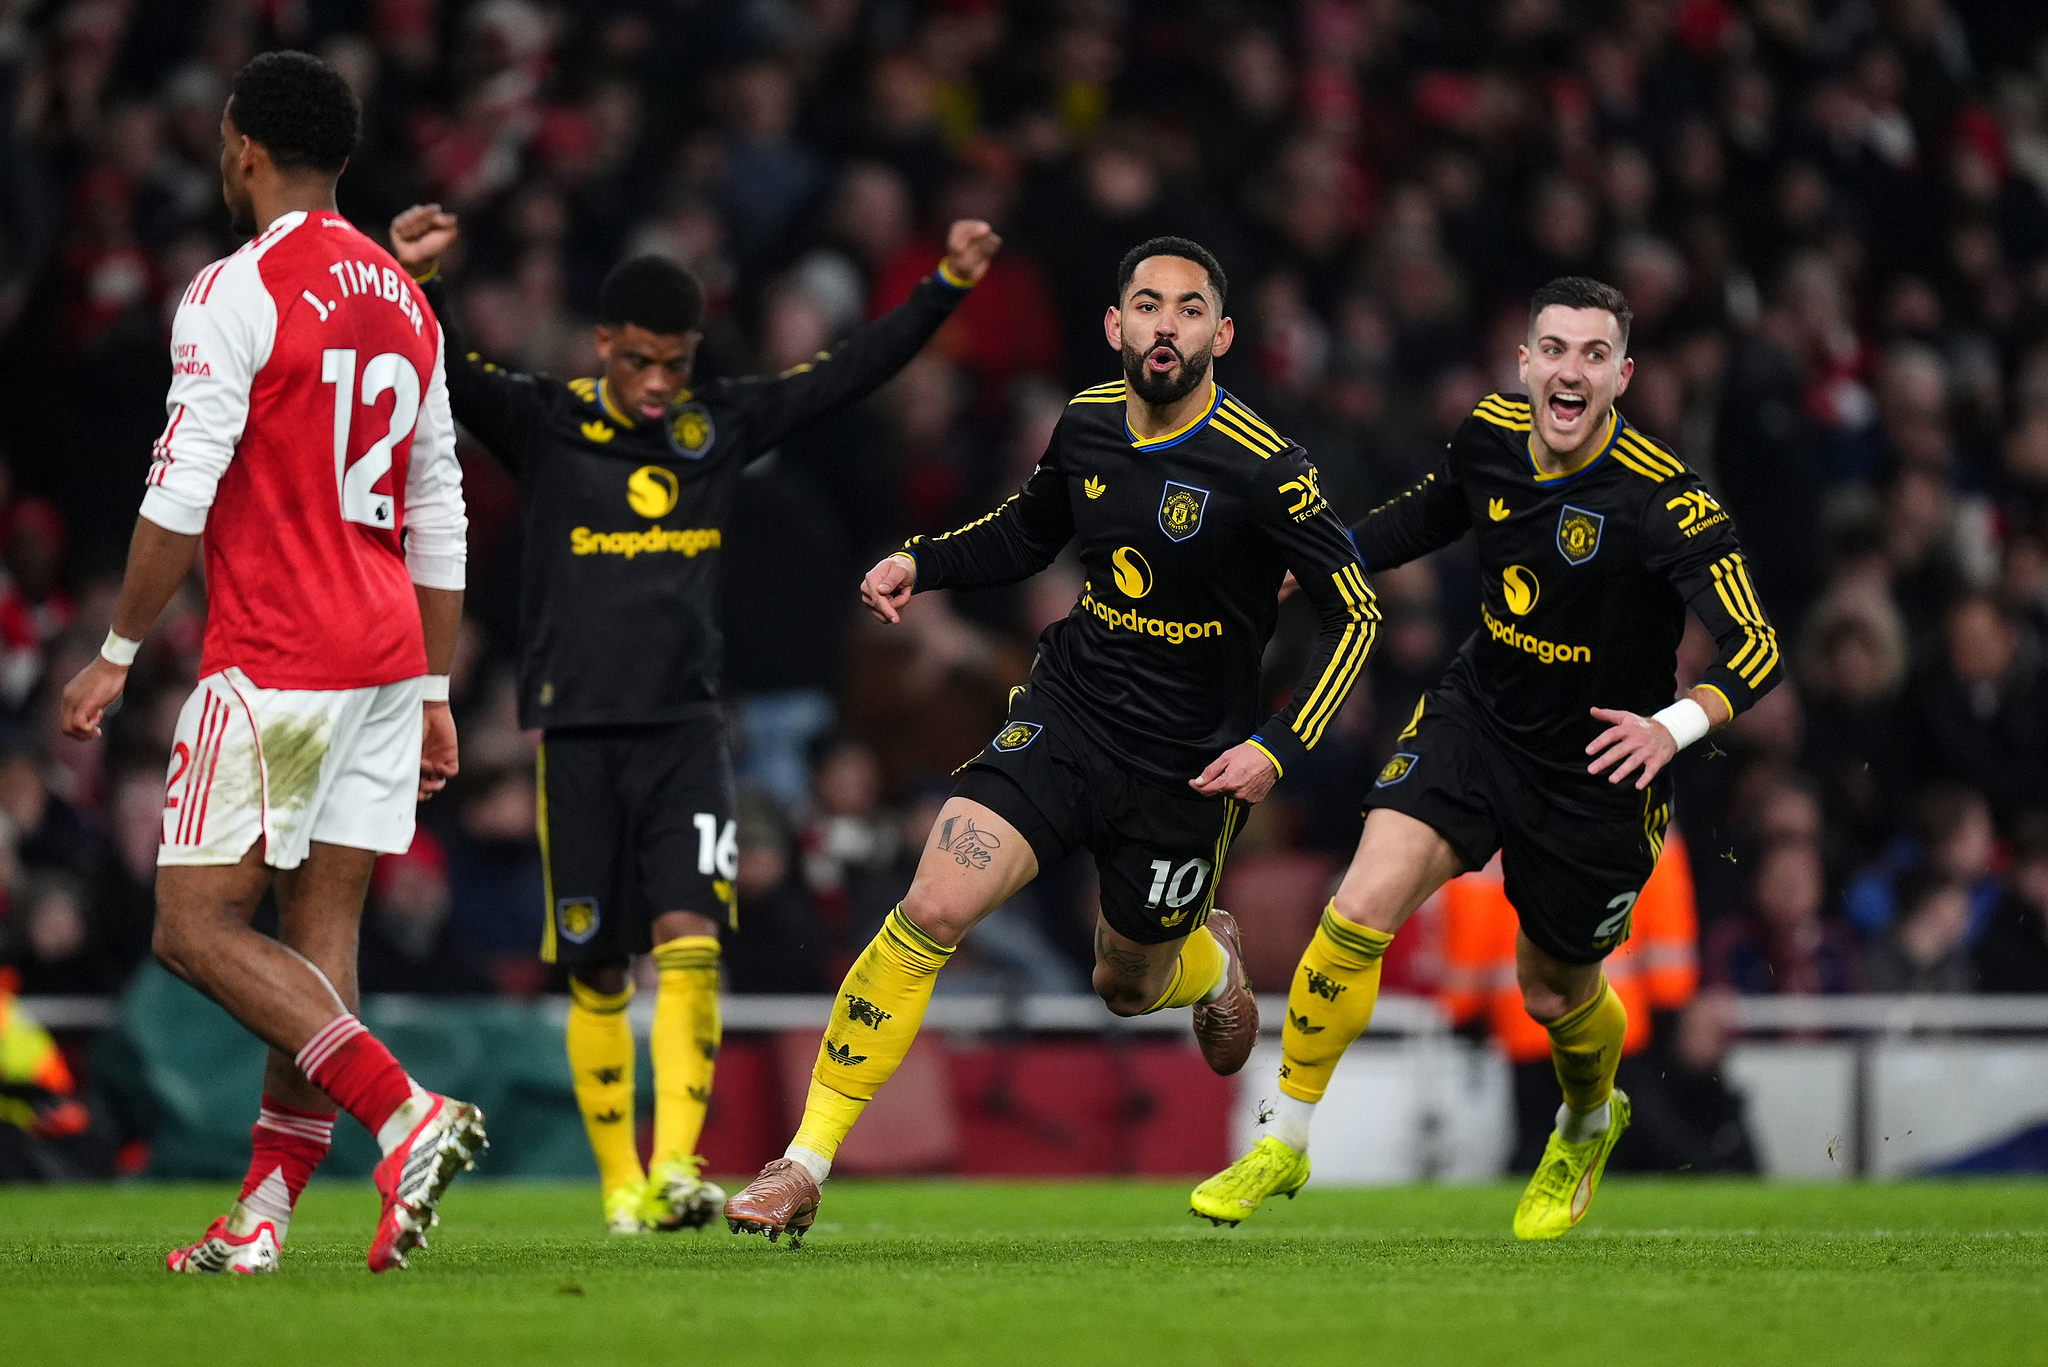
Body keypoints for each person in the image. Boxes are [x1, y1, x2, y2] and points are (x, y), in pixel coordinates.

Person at [722, 236, 1379, 1244]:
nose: (1166, 324)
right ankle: (802, 1162)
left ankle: (1209, 963)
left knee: (1125, 984)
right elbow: (1026, 533)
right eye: (1147, 305)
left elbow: (1355, 612)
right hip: (1065, 715)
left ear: (1221, 334)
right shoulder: (1083, 426)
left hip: (1184, 765)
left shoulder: (1264, 467)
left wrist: (1279, 748)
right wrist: (921, 561)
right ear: (1115, 326)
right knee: (933, 901)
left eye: (1188, 308)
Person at [387, 203, 1001, 1234]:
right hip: (575, 734)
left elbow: (840, 376)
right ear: (602, 348)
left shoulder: (712, 429)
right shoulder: (545, 420)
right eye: (638, 362)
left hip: (683, 734)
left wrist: (941, 286)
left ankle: (674, 1163)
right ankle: (617, 1183)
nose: (657, 384)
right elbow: (447, 367)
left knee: (689, 943)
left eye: (673, 362)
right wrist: (425, 281)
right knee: (590, 965)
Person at [1193, 276, 1784, 1239]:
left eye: (1595, 355)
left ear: (1621, 376)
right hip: (1479, 720)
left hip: (1598, 766)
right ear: (1524, 362)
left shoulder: (1664, 498)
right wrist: (1321, 559)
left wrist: (1667, 725)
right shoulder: (1490, 434)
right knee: (1357, 909)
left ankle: (1588, 1121)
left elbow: (1757, 645)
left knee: (1554, 990)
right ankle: (1284, 1139)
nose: (1571, 370)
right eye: (1555, 349)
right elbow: (1425, 516)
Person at [57, 52, 480, 1274]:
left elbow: (179, 487)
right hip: (387, 647)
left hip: (280, 657)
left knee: (192, 926)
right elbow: (440, 500)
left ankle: (406, 1111)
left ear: (241, 146)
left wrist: (116, 650)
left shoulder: (232, 289)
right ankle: (265, 1215)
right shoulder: (406, 297)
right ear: (340, 157)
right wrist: (436, 686)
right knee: (316, 932)